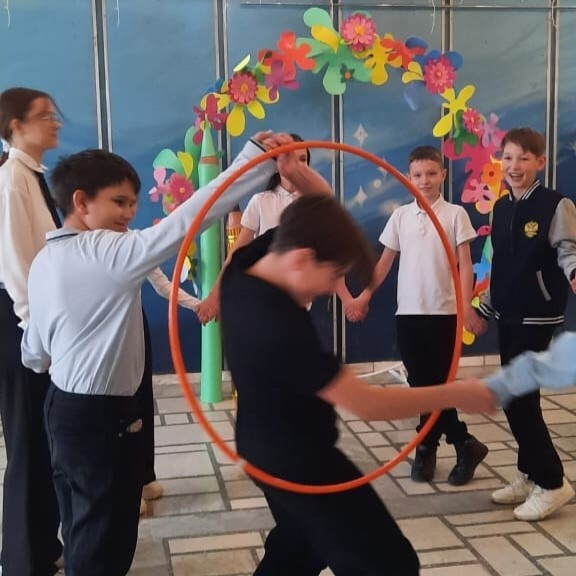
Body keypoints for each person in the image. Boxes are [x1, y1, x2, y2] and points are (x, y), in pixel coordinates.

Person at [21, 132, 326, 576]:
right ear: (81, 202)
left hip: (65, 409)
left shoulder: (46, 259)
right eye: (118, 202)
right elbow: (188, 219)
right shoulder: (108, 252)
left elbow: (34, 349)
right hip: (100, 418)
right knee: (103, 535)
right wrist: (253, 159)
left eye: (133, 203)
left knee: (86, 522)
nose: (129, 214)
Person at [220, 193, 499, 575]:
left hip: (261, 449)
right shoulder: (277, 327)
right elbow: (366, 404)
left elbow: (315, 209)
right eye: (333, 276)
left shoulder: (243, 267)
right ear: (302, 259)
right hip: (301, 462)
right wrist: (456, 393)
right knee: (389, 563)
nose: (330, 288)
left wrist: (294, 170)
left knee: (301, 545)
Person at [339, 146, 488, 486]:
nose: (425, 181)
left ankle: (428, 447)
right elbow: (384, 263)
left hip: (444, 313)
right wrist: (364, 296)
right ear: (408, 178)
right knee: (421, 384)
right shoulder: (401, 216)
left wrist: (466, 306)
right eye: (418, 175)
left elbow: (466, 265)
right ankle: (462, 444)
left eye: (432, 173)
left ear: (443, 175)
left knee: (435, 385)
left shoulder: (455, 215)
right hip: (408, 313)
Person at [475, 127, 576, 521]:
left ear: (540, 162)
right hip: (508, 313)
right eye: (508, 158)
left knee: (519, 398)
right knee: (519, 397)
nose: (514, 166)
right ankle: (529, 472)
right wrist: (485, 308)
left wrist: (574, 273)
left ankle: (552, 482)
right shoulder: (501, 207)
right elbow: (499, 265)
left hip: (537, 314)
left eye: (523, 158)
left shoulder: (556, 204)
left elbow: (568, 250)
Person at [0, 87, 63, 576]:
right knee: (26, 441)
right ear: (15, 126)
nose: (55, 121)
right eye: (44, 115)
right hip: (20, 325)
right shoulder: (10, 182)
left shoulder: (35, 177)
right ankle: (23, 561)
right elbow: (17, 268)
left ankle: (43, 546)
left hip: (37, 323)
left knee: (44, 439)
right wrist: (35, 338)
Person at [196, 133, 318, 324]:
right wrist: (215, 295)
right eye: (290, 158)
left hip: (299, 300)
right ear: (278, 163)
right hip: (265, 298)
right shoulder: (261, 201)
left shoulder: (315, 205)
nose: (297, 165)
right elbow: (236, 253)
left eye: (303, 159)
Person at [138, 269, 200, 515]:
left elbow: (162, 284)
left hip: (134, 327)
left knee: (142, 403)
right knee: (118, 413)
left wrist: (197, 305)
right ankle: (125, 488)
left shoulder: (133, 248)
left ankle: (143, 477)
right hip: (103, 330)